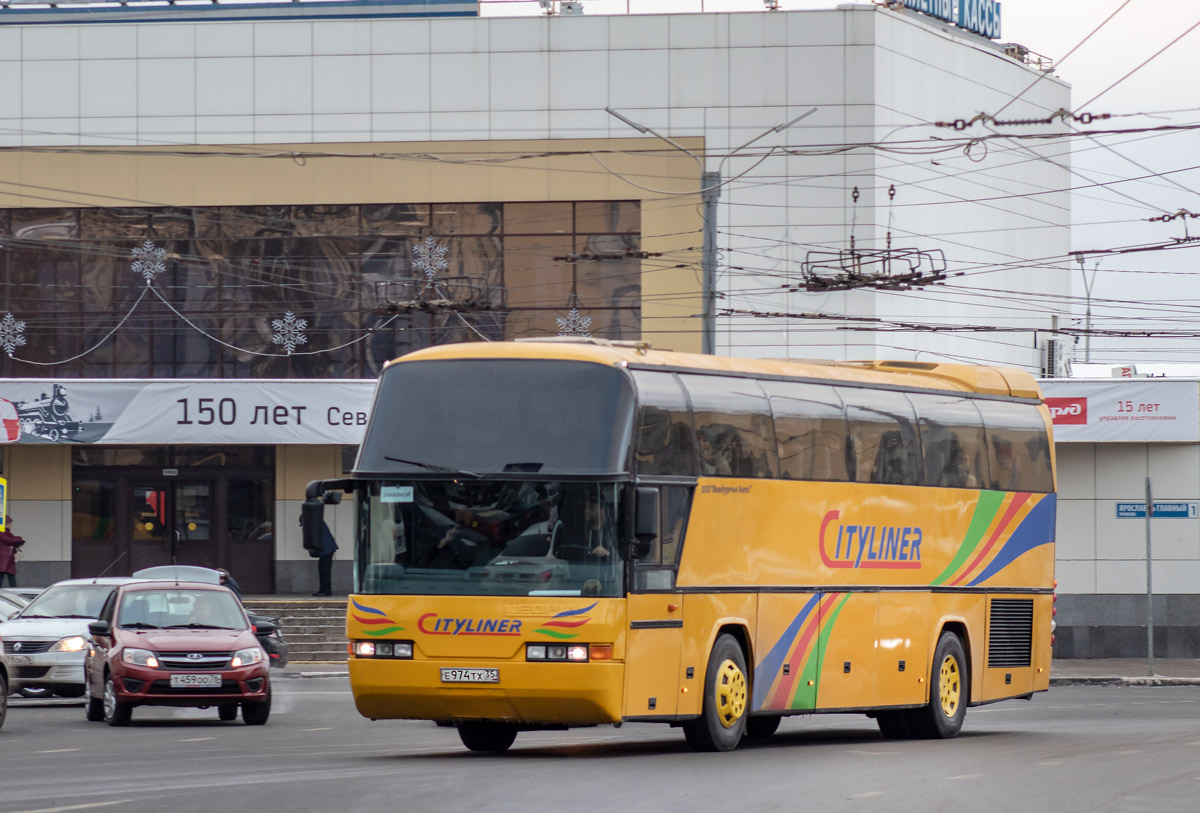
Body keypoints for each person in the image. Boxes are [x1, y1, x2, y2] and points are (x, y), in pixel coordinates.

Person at [0, 515, 25, 588]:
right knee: (9, 577)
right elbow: (8, 540)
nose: (11, 525)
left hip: (6, 559)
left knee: (5, 576)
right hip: (5, 559)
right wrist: (19, 539)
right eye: (10, 523)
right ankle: (14, 591)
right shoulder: (3, 532)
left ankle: (14, 590)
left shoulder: (5, 532)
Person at [315, 519, 337, 597]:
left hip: (326, 549)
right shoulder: (317, 522)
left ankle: (326, 591)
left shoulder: (314, 524)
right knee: (323, 570)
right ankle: (324, 590)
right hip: (327, 548)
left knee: (324, 570)